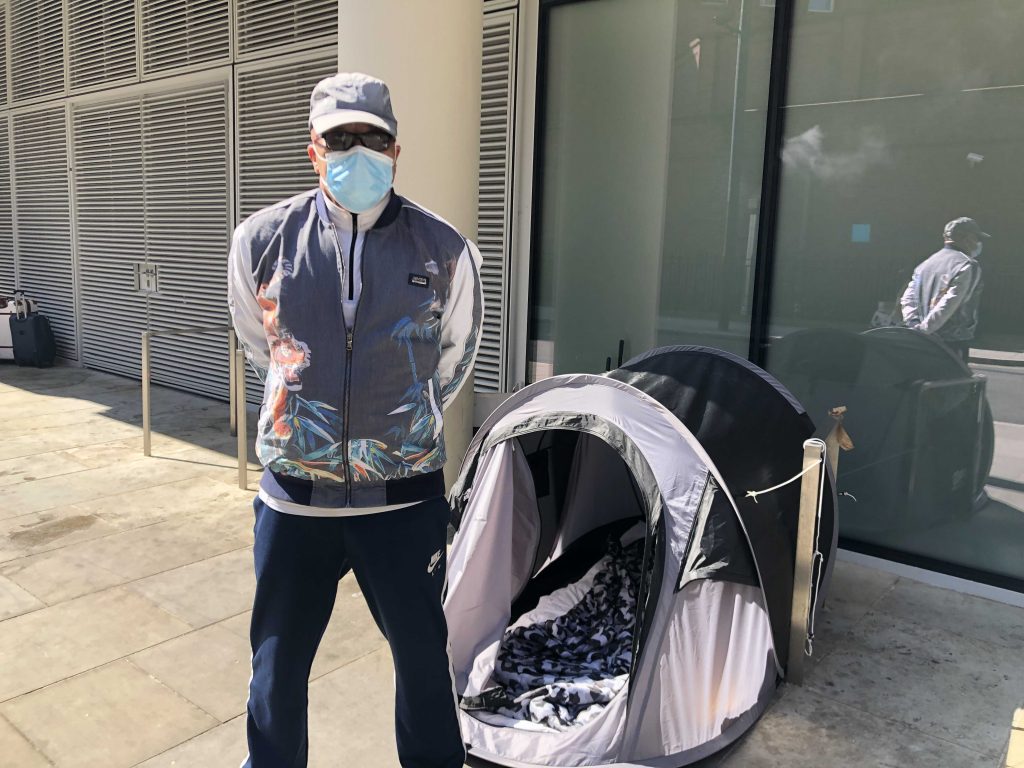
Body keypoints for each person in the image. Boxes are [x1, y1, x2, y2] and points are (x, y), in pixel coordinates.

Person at [228, 72, 483, 768]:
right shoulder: (260, 242)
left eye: (375, 138)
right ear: (313, 149)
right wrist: (306, 417)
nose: (358, 151)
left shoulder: (447, 252)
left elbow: (452, 361)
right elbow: (267, 351)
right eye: (341, 137)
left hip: (403, 504)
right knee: (275, 677)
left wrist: (393, 424)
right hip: (295, 503)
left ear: (398, 151)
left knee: (426, 672)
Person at [900, 216, 990, 361]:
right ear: (966, 238)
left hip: (921, 340)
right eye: (977, 238)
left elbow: (908, 298)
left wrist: (914, 324)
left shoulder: (926, 264)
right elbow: (950, 303)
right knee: (952, 382)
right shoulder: (967, 265)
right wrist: (926, 329)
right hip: (952, 341)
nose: (978, 243)